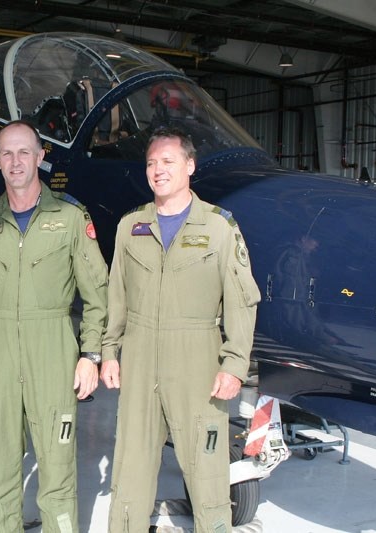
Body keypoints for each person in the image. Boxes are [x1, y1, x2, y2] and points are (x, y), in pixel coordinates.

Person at [0, 120, 108, 533]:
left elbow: (98, 293)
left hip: (52, 348)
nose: (16, 161)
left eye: (24, 152)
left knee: (57, 468)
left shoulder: (71, 217)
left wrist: (91, 354)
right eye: (7, 153)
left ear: (40, 157)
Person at [101, 126, 261, 533]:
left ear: (189, 166)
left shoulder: (219, 227)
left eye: (168, 161)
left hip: (198, 360)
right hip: (138, 358)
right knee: (130, 467)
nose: (158, 170)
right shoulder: (130, 226)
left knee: (206, 469)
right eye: (152, 163)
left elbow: (241, 301)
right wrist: (109, 351)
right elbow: (115, 295)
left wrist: (234, 364)